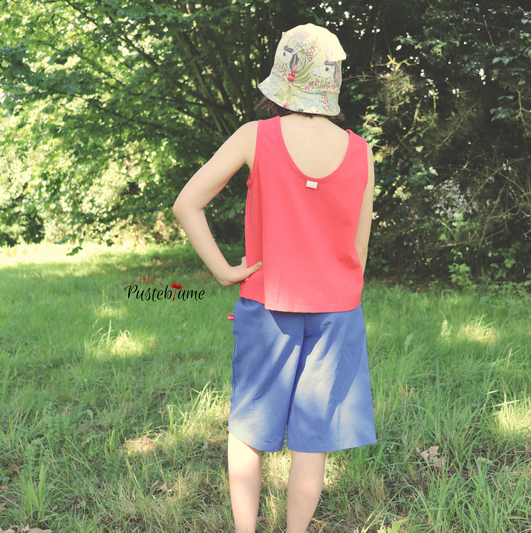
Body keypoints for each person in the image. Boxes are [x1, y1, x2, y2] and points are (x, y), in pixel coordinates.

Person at [172, 23, 376, 533]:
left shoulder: (256, 136)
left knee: (248, 429)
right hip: (337, 312)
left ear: (284, 75)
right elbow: (358, 250)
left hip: (268, 306)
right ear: (333, 80)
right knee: (313, 441)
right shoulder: (360, 150)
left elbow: (186, 204)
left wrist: (224, 271)